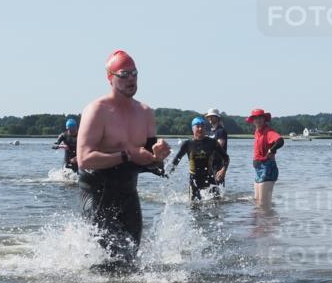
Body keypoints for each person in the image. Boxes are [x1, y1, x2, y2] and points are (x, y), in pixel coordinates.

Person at [76, 50, 171, 262]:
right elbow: (84, 158)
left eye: (135, 73)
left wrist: (159, 155)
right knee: (109, 257)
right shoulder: (97, 111)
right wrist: (126, 156)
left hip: (128, 192)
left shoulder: (145, 112)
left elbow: (151, 162)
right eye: (124, 74)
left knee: (131, 259)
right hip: (96, 192)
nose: (131, 79)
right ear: (110, 78)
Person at [169, 117, 230, 200]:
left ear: (205, 128)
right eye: (197, 126)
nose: (200, 128)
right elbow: (176, 159)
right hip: (194, 180)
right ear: (192, 129)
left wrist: (223, 170)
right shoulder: (187, 144)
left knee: (217, 204)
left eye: (202, 126)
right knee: (194, 207)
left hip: (209, 178)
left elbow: (226, 158)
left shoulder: (212, 143)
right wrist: (169, 173)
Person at [247, 108, 283, 208]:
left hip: (267, 168)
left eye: (260, 118)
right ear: (253, 120)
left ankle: (267, 222)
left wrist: (272, 150)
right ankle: (262, 222)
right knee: (258, 203)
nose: (257, 120)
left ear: (264, 119)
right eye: (255, 118)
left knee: (263, 204)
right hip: (258, 168)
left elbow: (280, 141)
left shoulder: (268, 132)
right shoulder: (257, 132)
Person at [205, 108, 229, 192]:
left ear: (217, 118)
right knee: (209, 190)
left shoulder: (221, 131)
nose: (210, 118)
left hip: (218, 165)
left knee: (217, 189)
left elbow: (220, 147)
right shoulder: (211, 132)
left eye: (212, 116)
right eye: (209, 117)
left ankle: (219, 204)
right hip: (210, 165)